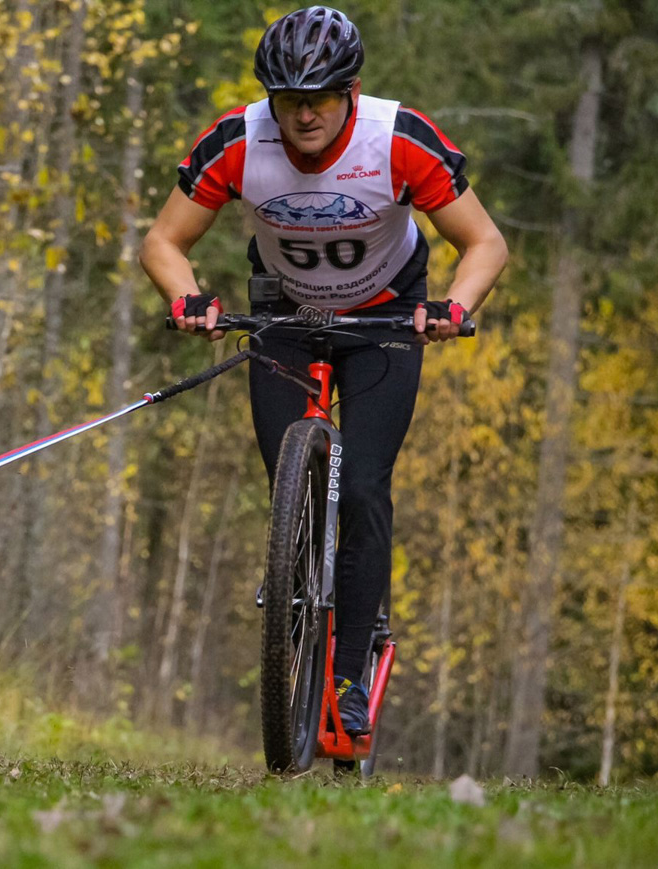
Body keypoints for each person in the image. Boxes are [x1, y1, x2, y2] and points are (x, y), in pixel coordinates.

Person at [139, 5, 507, 734]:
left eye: (321, 99)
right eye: (288, 100)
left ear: (352, 91)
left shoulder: (397, 140)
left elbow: (485, 243)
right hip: (285, 312)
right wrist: (187, 299)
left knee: (363, 486)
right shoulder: (237, 141)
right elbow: (162, 242)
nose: (304, 115)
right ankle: (293, 582)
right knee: (292, 482)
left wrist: (454, 308)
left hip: (385, 316)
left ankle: (348, 673)